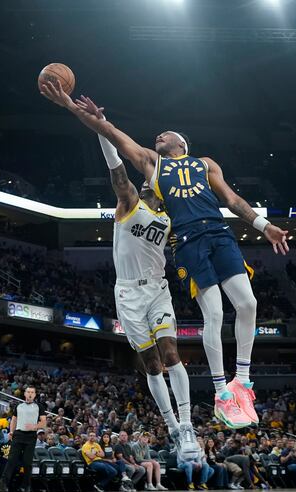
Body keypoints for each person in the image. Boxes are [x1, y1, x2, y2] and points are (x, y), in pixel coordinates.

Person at [40, 82, 291, 429]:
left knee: (248, 304)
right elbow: (112, 137)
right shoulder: (152, 163)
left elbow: (233, 200)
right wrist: (74, 106)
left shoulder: (205, 164)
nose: (158, 135)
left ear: (182, 144)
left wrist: (264, 226)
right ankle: (221, 392)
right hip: (186, 241)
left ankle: (243, 382)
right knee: (215, 313)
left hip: (219, 232)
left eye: (166, 133)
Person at [83, 114, 195, 457]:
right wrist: (102, 128)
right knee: (152, 364)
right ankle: (171, 426)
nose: (145, 184)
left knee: (171, 354)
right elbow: (117, 170)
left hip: (158, 289)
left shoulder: (169, 218)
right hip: (129, 292)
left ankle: (187, 425)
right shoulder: (130, 203)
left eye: (150, 182)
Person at [0, 386, 46, 492]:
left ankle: (26, 486)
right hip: (18, 434)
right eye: (28, 392)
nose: (30, 394)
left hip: (31, 436)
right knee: (12, 459)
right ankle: (3, 482)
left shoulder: (39, 406)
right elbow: (14, 420)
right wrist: (11, 431)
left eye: (32, 392)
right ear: (25, 394)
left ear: (35, 395)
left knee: (27, 462)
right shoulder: (18, 406)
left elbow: (43, 422)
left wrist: (34, 426)